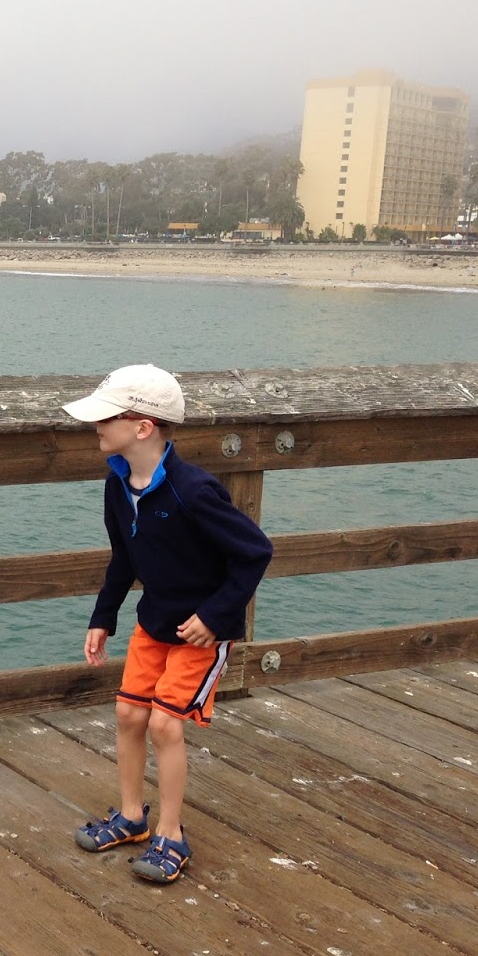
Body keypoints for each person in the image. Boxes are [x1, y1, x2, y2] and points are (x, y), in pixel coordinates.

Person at [62, 364, 273, 883]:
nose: (96, 427)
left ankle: (171, 834)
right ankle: (132, 817)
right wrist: (103, 617)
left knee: (164, 724)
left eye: (106, 418)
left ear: (143, 427)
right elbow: (123, 558)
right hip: (153, 624)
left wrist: (215, 617)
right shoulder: (117, 486)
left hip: (201, 633)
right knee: (129, 714)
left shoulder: (193, 490)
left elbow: (254, 552)